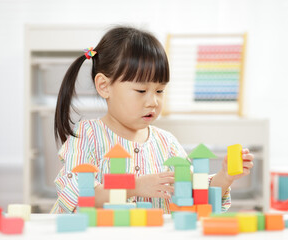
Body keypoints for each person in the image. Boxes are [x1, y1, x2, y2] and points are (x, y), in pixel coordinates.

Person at [50, 26, 254, 214]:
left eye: (160, 90)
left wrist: (225, 177)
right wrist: (134, 187)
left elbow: (195, 196)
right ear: (104, 86)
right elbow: (78, 197)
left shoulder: (167, 143)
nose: (153, 101)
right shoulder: (86, 137)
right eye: (141, 90)